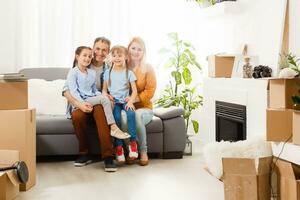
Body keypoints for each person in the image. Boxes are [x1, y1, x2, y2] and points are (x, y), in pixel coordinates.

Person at [63, 37, 117, 172]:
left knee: (99, 111)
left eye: (104, 50)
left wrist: (109, 95)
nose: (100, 52)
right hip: (80, 101)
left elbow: (112, 88)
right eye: (97, 48)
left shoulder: (108, 68)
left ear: (108, 52)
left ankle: (108, 156)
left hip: (97, 100)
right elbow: (65, 90)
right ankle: (84, 153)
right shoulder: (82, 63)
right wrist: (78, 104)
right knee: (77, 116)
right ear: (93, 49)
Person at [66, 46, 130, 140]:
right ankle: (113, 127)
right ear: (77, 56)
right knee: (104, 99)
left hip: (91, 98)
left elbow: (94, 90)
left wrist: (102, 95)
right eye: (84, 55)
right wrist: (81, 103)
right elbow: (73, 91)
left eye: (89, 56)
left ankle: (113, 128)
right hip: (81, 100)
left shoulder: (92, 72)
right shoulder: (73, 72)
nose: (87, 58)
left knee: (105, 98)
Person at [102, 45, 139, 163]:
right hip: (115, 102)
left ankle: (133, 144)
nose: (117, 58)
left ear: (126, 57)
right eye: (114, 55)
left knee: (131, 114)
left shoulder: (129, 73)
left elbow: (135, 91)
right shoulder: (107, 72)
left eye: (119, 55)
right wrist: (107, 95)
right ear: (111, 57)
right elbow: (104, 90)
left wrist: (131, 101)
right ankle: (119, 148)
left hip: (125, 101)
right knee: (116, 118)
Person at [126, 37, 157, 166]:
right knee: (124, 117)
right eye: (133, 48)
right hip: (126, 107)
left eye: (140, 49)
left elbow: (150, 91)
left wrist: (133, 99)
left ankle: (143, 151)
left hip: (145, 108)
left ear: (143, 52)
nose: (136, 52)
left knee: (137, 115)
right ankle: (130, 150)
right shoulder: (122, 66)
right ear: (128, 49)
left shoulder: (148, 68)